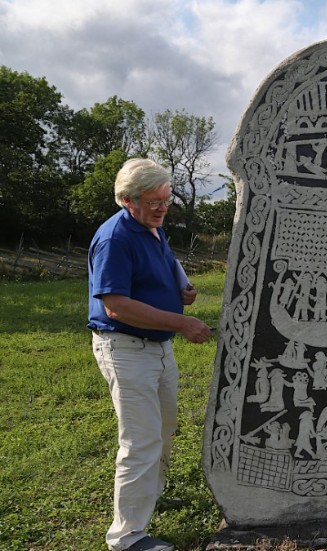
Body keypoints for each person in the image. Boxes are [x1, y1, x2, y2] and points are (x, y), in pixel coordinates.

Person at [87, 158, 212, 551]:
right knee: (140, 440)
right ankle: (126, 536)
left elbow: (162, 268)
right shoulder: (116, 238)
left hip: (156, 346)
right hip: (126, 346)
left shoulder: (152, 228)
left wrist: (183, 291)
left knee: (163, 429)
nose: (162, 207)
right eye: (152, 200)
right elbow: (116, 305)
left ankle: (149, 497)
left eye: (166, 198)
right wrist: (181, 322)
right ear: (127, 200)